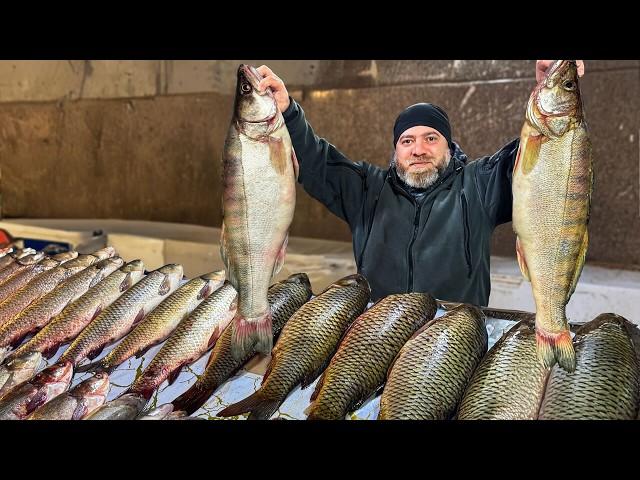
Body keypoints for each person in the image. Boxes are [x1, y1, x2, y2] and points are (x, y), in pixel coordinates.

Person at [256, 60, 585, 305]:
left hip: (455, 344)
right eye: (407, 141)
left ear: (448, 146)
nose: (419, 150)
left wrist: (549, 92)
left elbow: (535, 162)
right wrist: (287, 112)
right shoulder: (368, 190)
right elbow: (317, 161)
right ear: (396, 150)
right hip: (376, 339)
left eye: (431, 138)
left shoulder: (478, 185)